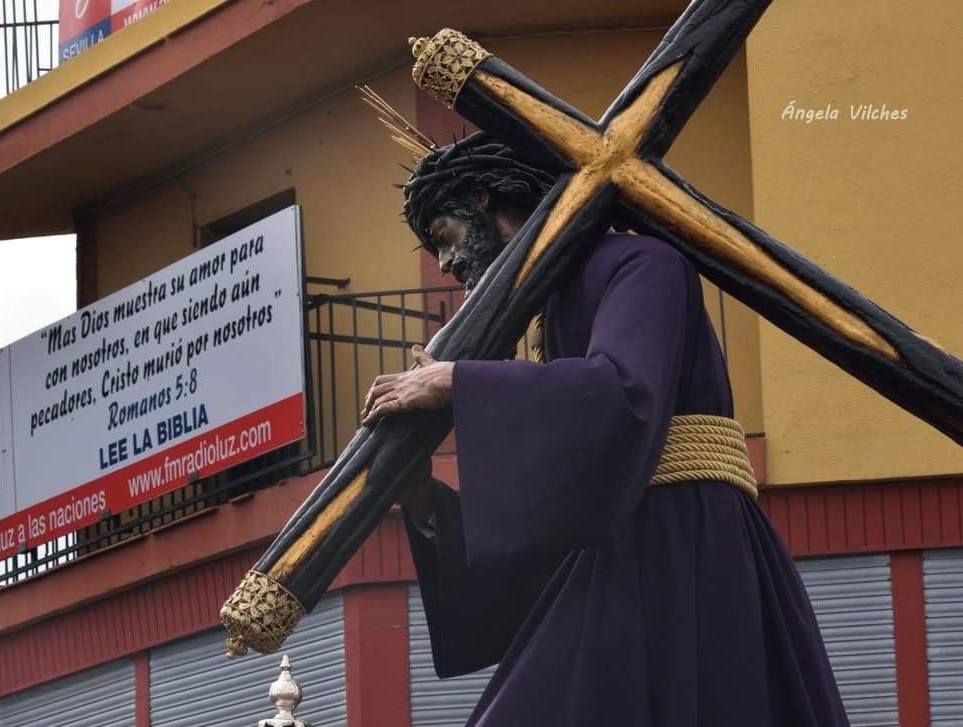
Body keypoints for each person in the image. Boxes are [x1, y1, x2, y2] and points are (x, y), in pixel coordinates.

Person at [360, 132, 850, 726]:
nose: (443, 263)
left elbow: (624, 396)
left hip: (682, 541)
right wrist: (424, 502)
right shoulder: (548, 314)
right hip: (610, 550)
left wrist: (460, 383)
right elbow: (546, 516)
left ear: (482, 199)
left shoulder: (644, 264)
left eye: (444, 236)